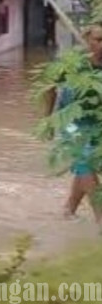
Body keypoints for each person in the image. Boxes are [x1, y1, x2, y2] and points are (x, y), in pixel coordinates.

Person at [48, 25, 102, 222]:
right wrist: (49, 121)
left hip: (96, 123)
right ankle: (100, 219)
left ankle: (69, 210)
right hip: (71, 122)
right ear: (88, 40)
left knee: (86, 165)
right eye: (99, 39)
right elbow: (50, 87)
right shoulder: (74, 64)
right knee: (86, 161)